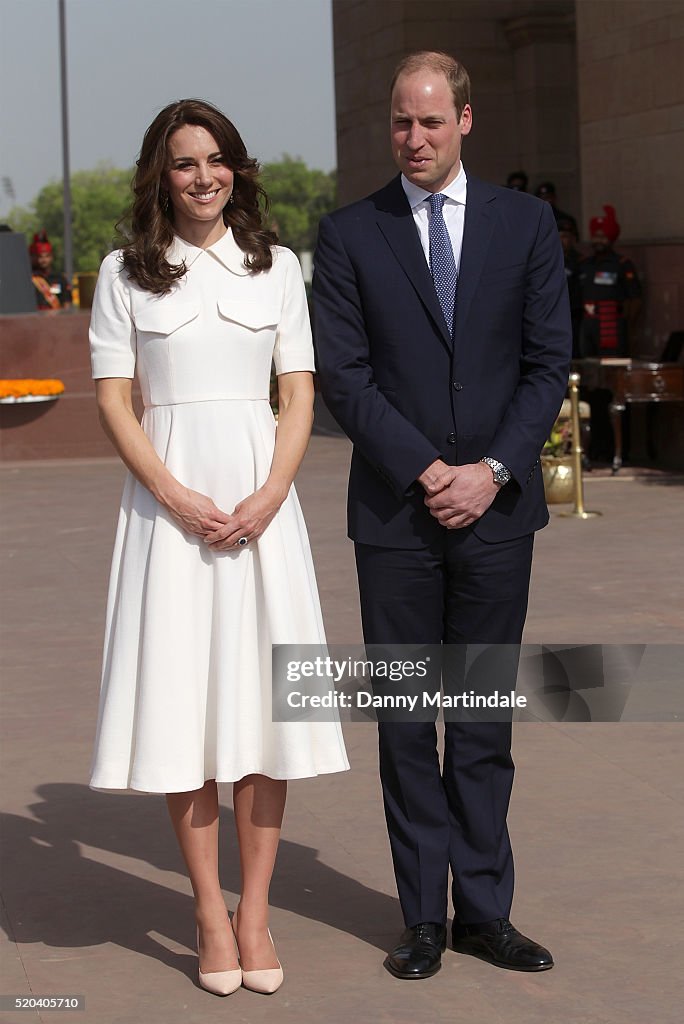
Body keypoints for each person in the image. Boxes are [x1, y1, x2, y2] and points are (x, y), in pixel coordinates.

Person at [313, 51, 570, 980]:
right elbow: (344, 376)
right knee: (405, 722)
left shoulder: (527, 225)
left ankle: (486, 914)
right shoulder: (349, 235)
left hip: (498, 517)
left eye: (429, 121)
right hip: (395, 517)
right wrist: (428, 469)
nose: (412, 138)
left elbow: (547, 365)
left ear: (465, 120)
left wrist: (493, 469)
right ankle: (422, 916)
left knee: (481, 718)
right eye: (399, 122)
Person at [88, 99, 348, 997]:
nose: (204, 177)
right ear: (161, 176)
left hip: (262, 512)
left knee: (262, 716)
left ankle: (257, 913)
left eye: (217, 160)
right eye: (185, 163)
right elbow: (116, 399)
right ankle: (207, 911)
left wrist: (271, 494)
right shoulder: (124, 272)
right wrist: (175, 495)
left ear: (237, 168)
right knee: (183, 712)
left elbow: (299, 391)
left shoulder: (277, 268)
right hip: (168, 517)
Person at [579, 204, 642, 358]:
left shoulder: (622, 264)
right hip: (587, 322)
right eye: (595, 236)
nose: (598, 240)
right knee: (587, 364)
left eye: (603, 236)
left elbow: (635, 298)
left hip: (611, 324)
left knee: (611, 365)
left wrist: (630, 327)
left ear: (611, 239)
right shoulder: (584, 264)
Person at [557, 215, 583, 358]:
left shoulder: (581, 261)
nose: (562, 240)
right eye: (559, 236)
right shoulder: (547, 261)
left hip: (575, 314)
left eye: (566, 236)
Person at [29, 231, 72, 309]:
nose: (43, 260)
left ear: (51, 257)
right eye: (39, 256)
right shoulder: (29, 279)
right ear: (32, 257)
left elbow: (67, 304)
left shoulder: (60, 279)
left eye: (47, 256)